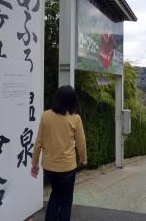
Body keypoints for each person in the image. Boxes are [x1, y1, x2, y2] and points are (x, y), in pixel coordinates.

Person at [31, 85, 87, 221]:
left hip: (49, 167)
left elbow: (38, 142)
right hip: (67, 168)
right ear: (72, 101)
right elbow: (81, 142)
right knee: (66, 199)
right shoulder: (75, 118)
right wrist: (83, 160)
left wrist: (35, 163)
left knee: (55, 195)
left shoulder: (46, 116)